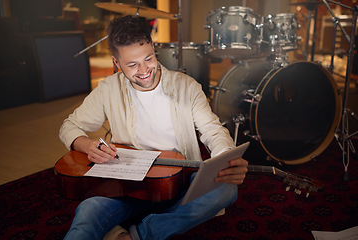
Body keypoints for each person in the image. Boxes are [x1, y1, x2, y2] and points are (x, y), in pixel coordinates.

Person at [59, 15, 248, 240]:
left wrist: (225, 159)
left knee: (226, 190)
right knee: (88, 210)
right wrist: (87, 144)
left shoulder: (186, 86)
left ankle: (134, 235)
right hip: (128, 188)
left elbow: (213, 131)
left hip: (179, 184)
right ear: (116, 63)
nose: (144, 70)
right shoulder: (108, 89)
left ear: (153, 50)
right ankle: (164, 222)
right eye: (132, 65)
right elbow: (69, 126)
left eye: (148, 58)